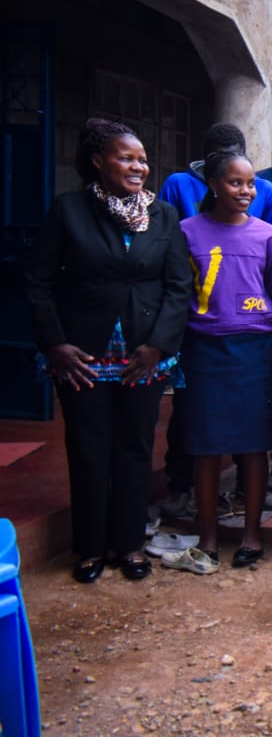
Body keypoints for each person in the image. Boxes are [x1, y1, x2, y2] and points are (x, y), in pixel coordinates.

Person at [26, 119, 191, 583]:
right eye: (126, 157)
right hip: (83, 355)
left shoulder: (162, 216)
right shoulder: (69, 211)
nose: (138, 166)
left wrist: (159, 345)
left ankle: (130, 543)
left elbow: (179, 286)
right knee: (88, 448)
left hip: (144, 354)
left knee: (135, 448)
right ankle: (91, 548)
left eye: (142, 158)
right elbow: (38, 282)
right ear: (98, 161)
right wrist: (56, 344)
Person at [156, 122, 272, 520]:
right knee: (200, 433)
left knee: (254, 436)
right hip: (201, 347)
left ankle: (249, 517)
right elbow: (176, 288)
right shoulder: (185, 230)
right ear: (213, 184)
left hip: (254, 347)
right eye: (235, 183)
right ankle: (198, 510)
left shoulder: (266, 234)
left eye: (250, 184)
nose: (246, 191)